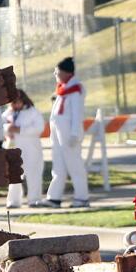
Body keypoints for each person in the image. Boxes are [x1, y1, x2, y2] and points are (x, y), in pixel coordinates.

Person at [45, 57, 88, 208]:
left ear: (66, 72)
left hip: (70, 134)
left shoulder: (75, 90)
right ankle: (54, 197)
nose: (55, 74)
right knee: (58, 166)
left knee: (74, 165)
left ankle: (82, 197)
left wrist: (75, 133)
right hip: (58, 133)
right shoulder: (62, 90)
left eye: (58, 71)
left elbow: (77, 113)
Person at [3, 88, 45, 209]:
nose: (15, 104)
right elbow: (0, 125)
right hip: (14, 148)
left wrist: (20, 130)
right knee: (14, 175)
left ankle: (34, 199)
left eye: (17, 101)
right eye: (13, 102)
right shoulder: (8, 113)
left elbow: (39, 128)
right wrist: (8, 129)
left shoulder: (33, 112)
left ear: (23, 100)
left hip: (31, 148)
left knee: (33, 173)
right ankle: (13, 201)